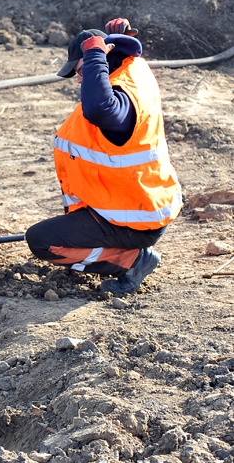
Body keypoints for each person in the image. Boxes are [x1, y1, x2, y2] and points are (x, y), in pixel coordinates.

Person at [25, 21, 182, 295]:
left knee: (41, 241)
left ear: (102, 61)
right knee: (63, 232)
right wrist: (121, 40)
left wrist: (95, 56)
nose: (79, 79)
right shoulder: (133, 72)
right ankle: (123, 250)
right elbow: (123, 58)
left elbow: (99, 108)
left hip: (133, 220)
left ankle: (132, 261)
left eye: (82, 71)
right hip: (141, 204)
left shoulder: (117, 101)